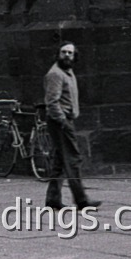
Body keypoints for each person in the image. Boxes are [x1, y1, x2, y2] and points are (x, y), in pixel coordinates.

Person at [43, 42, 96, 210]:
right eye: (63, 52)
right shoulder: (56, 74)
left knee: (59, 161)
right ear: (58, 54)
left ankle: (53, 199)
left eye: (70, 53)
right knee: (72, 159)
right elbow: (52, 101)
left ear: (74, 56)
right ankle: (81, 201)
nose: (67, 55)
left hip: (64, 119)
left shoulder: (67, 71)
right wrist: (63, 121)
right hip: (61, 121)